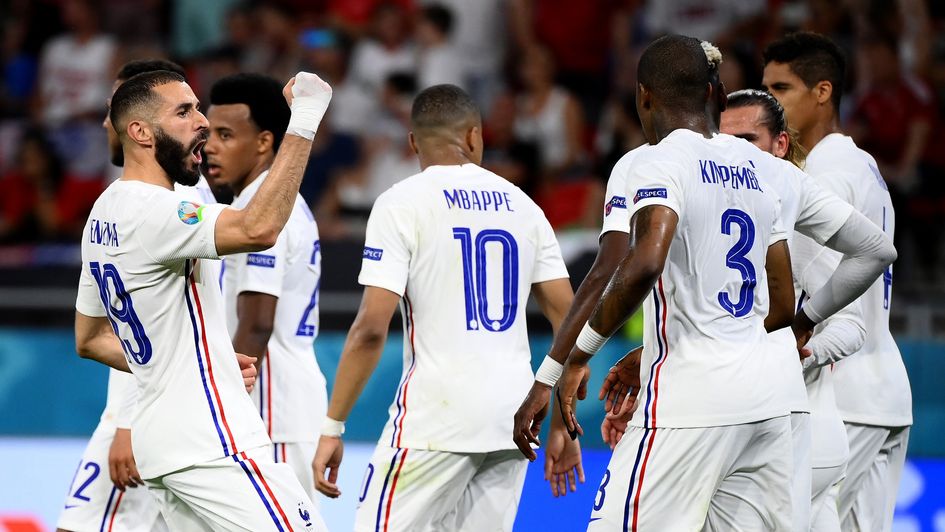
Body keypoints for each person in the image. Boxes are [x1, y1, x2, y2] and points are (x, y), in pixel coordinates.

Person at [73, 69, 331, 530]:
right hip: (211, 436)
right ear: (141, 132)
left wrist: (203, 361)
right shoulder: (160, 211)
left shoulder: (103, 213)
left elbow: (89, 339)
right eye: (184, 111)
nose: (202, 122)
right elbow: (258, 228)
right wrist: (306, 119)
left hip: (160, 445)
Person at [311, 84, 574, 531]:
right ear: (474, 136)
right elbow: (569, 319)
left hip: (435, 419)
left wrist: (333, 426)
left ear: (413, 142)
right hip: (513, 419)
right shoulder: (524, 205)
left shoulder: (401, 202)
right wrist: (565, 424)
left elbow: (371, 328)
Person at [764, 32, 913, 532]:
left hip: (843, 398)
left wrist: (793, 345)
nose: (770, 103)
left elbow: (827, 301)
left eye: (781, 89)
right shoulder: (860, 162)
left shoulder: (821, 175)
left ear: (822, 91)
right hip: (884, 394)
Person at [722, 88, 864, 532]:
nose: (735, 153)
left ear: (780, 144)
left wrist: (801, 349)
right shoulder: (732, 215)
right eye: (724, 140)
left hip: (797, 434)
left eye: (748, 140)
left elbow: (852, 325)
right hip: (780, 433)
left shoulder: (798, 221)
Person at [57, 58, 189, 532]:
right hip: (150, 411)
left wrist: (127, 424)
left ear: (141, 125)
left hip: (144, 417)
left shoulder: (180, 208)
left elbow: (161, 327)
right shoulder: (129, 198)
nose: (104, 123)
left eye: (113, 107)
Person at [205, 73, 327, 504]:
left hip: (273, 411)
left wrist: (220, 408)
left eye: (225, 135)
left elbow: (257, 323)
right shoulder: (253, 205)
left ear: (263, 142)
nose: (210, 147)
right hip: (276, 409)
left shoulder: (267, 212)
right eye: (209, 133)